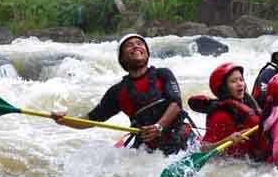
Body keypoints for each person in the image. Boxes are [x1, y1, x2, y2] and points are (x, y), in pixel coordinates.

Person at [53, 34, 193, 154]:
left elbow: (176, 103)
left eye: (140, 44)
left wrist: (159, 126)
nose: (136, 46)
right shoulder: (118, 92)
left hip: (180, 137)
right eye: (129, 45)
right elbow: (91, 119)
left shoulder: (163, 74)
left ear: (147, 53)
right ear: (122, 58)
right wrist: (64, 120)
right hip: (149, 150)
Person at [188, 62, 269, 161]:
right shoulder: (220, 115)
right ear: (224, 88)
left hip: (252, 160)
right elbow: (204, 148)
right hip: (229, 164)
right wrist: (228, 139)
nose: (240, 84)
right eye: (233, 81)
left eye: (241, 79)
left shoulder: (249, 104)